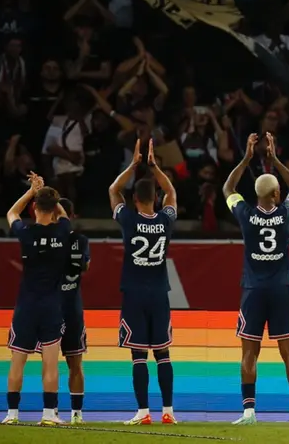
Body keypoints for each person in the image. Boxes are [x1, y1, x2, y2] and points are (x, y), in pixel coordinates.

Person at [222, 132, 289, 426]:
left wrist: (247, 158)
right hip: (281, 290)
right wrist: (274, 160)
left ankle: (249, 413)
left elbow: (228, 187)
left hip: (253, 290)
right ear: (276, 194)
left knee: (250, 352)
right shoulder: (285, 212)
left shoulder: (245, 214)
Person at [109, 139, 179, 426]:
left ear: (135, 200)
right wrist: (155, 167)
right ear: (156, 198)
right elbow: (172, 191)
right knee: (163, 353)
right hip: (159, 292)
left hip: (134, 292)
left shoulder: (128, 219)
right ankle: (168, 411)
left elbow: (113, 190)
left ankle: (142, 412)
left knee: (139, 355)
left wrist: (133, 166)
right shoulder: (165, 220)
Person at [3, 175, 72, 426]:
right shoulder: (63, 230)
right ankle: (48, 414)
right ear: (54, 209)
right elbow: (64, 215)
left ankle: (12, 415)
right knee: (50, 362)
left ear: (34, 207)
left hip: (26, 305)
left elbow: (12, 212)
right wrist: (49, 195)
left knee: (18, 360)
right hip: (51, 305)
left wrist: (32, 191)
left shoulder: (25, 232)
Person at [58, 198, 90, 424]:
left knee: (49, 362)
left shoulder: (46, 238)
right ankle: (76, 415)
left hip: (50, 307)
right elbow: (86, 266)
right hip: (72, 308)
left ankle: (49, 411)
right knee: (75, 363)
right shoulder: (81, 240)